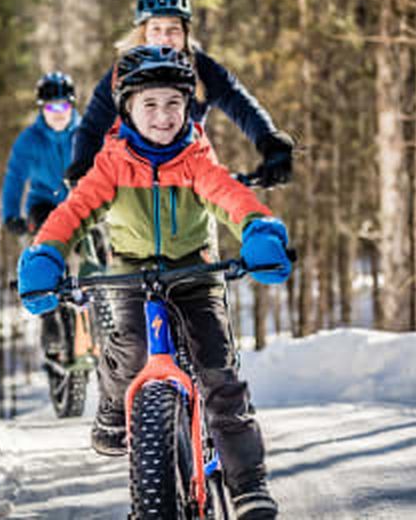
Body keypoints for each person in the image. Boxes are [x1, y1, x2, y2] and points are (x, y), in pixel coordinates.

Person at [17, 46, 289, 520]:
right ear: (127, 110)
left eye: (173, 103)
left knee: (219, 377)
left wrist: (257, 230)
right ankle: (114, 404)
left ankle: (248, 482)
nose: (163, 116)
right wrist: (47, 253)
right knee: (129, 349)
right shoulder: (111, 163)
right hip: (129, 272)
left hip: (194, 271)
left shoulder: (195, 158)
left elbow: (229, 196)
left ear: (187, 107)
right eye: (150, 104)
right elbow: (75, 211)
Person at [65, 0, 294, 189]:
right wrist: (83, 164)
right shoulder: (122, 72)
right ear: (144, 34)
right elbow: (92, 127)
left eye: (173, 29)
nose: (165, 38)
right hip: (135, 185)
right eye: (156, 29)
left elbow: (241, 106)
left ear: (185, 33)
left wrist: (271, 143)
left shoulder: (202, 69)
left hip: (189, 181)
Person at [1, 71, 80, 359]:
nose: (58, 113)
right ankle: (50, 319)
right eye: (51, 107)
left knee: (99, 248)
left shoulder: (84, 133)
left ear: (72, 105)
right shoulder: (29, 140)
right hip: (44, 203)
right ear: (42, 109)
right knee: (45, 252)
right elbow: (15, 177)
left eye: (63, 105)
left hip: (81, 203)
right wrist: (11, 214)